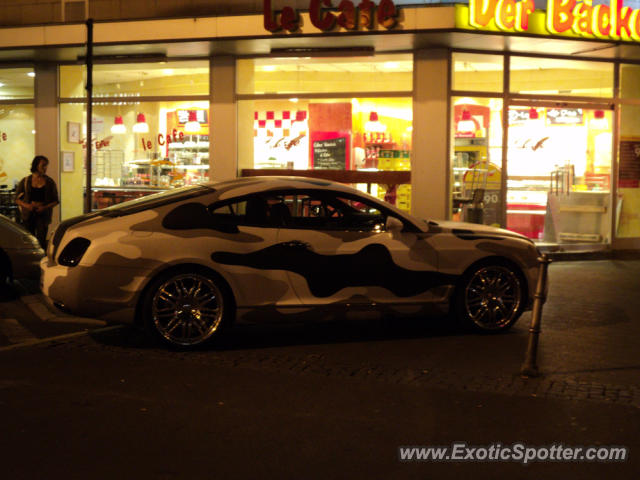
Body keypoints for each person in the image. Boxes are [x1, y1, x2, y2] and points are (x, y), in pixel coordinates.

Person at [15, 155, 59, 249]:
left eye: (46, 165)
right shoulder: (26, 181)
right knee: (29, 238)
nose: (45, 168)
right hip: (28, 214)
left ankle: (41, 258)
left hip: (43, 215)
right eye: (43, 165)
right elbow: (16, 199)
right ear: (36, 165)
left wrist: (44, 208)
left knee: (41, 239)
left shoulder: (49, 182)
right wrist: (26, 206)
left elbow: (55, 201)